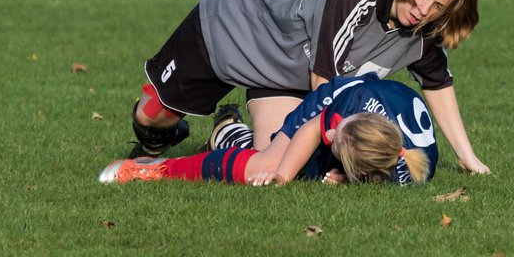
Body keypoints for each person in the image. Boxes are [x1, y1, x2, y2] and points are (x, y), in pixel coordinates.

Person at [127, 0, 490, 174]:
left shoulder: (425, 27)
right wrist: (342, 156)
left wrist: (467, 157)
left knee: (281, 160)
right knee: (154, 114)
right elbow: (326, 88)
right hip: (236, 25)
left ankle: (228, 132)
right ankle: (155, 140)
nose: (423, 8)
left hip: (290, 70)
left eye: (438, 5)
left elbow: (438, 84)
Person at [100, 74, 436, 187]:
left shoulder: (405, 172)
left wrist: (347, 177)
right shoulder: (346, 114)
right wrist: (283, 174)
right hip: (330, 102)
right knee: (266, 167)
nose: (331, 137)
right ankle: (154, 170)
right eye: (337, 133)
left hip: (360, 127)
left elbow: (356, 153)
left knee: (311, 172)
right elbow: (316, 130)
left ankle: (228, 133)